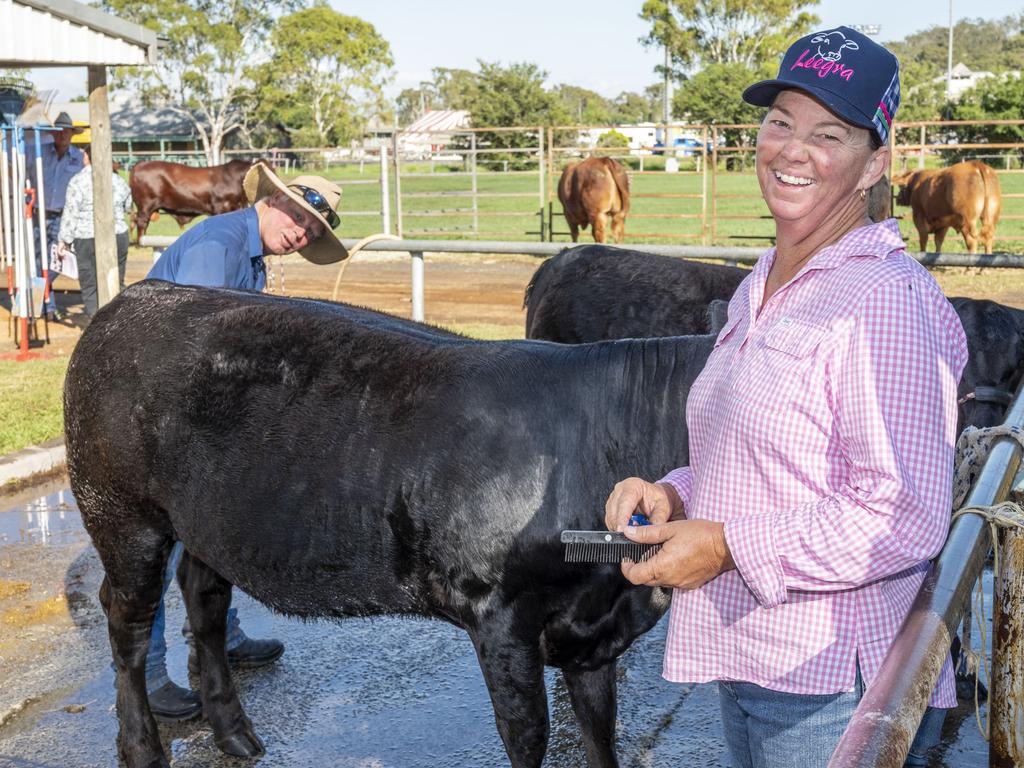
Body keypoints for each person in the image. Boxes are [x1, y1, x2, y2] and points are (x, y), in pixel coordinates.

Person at [604, 27, 967, 768]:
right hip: (757, 658)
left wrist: (730, 544)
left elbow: (903, 514)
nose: (793, 150)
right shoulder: (764, 282)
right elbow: (769, 458)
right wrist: (674, 495)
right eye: (780, 123)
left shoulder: (882, 300)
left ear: (877, 162)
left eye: (828, 133)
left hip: (827, 682)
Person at [143, 162, 349, 721]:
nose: (303, 237)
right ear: (277, 202)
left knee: (209, 530)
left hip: (192, 412)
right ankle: (145, 674)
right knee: (156, 549)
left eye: (313, 234)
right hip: (160, 413)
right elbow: (194, 345)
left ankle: (222, 632)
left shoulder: (249, 252)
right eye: (304, 222)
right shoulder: (218, 244)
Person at [55, 151, 132, 316]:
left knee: (90, 283)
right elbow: (128, 206)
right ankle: (118, 320)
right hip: (117, 233)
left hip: (86, 236)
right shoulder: (118, 180)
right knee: (116, 281)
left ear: (86, 157)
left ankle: (94, 320)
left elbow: (71, 212)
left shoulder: (77, 181)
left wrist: (64, 239)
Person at [32, 111, 86, 318]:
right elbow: (16, 167)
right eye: (58, 132)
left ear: (72, 134)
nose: (61, 135)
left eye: (66, 132)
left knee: (57, 260)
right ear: (52, 134)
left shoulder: (79, 158)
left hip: (64, 217)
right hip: (39, 213)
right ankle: (48, 307)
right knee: (38, 259)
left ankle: (42, 298)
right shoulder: (38, 152)